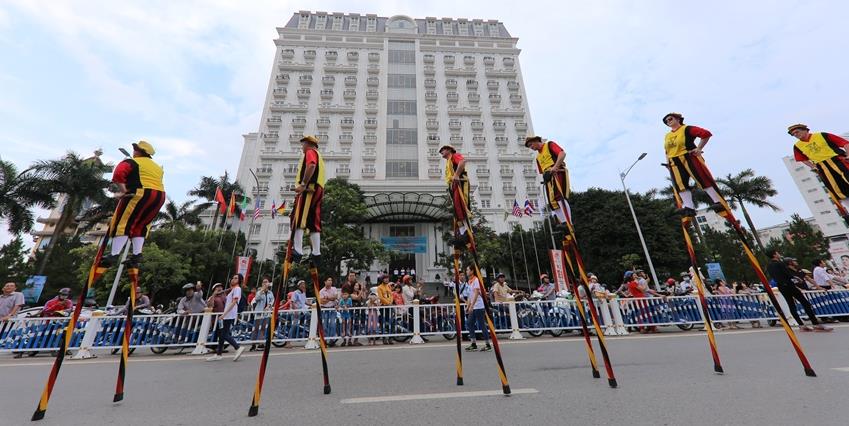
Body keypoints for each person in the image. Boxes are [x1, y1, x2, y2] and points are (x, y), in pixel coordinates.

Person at [102, 140, 166, 268]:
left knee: (123, 222)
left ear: (138, 151)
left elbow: (118, 174)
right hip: (159, 196)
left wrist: (123, 191)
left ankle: (114, 255)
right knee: (142, 225)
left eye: (135, 149)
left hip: (140, 194)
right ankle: (137, 255)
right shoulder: (158, 167)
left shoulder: (132, 161)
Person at [661, 113, 725, 217]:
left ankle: (717, 202)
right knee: (680, 185)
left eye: (670, 119)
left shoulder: (687, 129)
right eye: (666, 121)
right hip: (675, 162)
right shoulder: (667, 136)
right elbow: (667, 151)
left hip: (689, 157)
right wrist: (668, 163)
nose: (668, 121)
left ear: (678, 119)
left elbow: (706, 134)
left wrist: (699, 148)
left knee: (701, 179)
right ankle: (689, 208)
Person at [765, 249, 831, 332]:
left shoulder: (769, 266)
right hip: (789, 285)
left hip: (781, 286)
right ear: (774, 255)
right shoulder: (779, 263)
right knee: (805, 303)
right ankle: (815, 324)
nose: (779, 254)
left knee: (791, 305)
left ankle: (801, 325)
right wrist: (795, 278)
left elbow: (774, 276)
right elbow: (787, 273)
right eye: (777, 253)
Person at [788, 124, 849, 212]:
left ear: (805, 130)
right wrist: (813, 166)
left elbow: (845, 143)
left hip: (839, 161)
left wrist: (848, 155)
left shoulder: (822, 135)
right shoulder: (797, 146)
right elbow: (802, 159)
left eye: (797, 132)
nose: (795, 135)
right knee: (837, 190)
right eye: (793, 134)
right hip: (823, 168)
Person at [290, 135, 326, 265]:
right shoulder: (320, 157)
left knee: (299, 217)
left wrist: (303, 184)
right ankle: (316, 253)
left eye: (303, 144)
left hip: (309, 189)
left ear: (309, 144)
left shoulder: (311, 152)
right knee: (313, 221)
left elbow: (311, 165)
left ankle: (298, 250)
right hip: (318, 189)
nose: (302, 147)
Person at [524, 135, 571, 224]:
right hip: (548, 178)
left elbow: (562, 154)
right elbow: (542, 171)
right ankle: (564, 223)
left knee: (559, 197)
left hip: (557, 172)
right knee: (552, 202)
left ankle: (569, 222)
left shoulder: (549, 145)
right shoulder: (538, 157)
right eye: (529, 146)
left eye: (531, 145)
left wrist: (555, 167)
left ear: (536, 141)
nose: (531, 147)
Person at [207, 274, 246, 361]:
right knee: (222, 334)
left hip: (229, 315)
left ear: (239, 280)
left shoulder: (237, 289)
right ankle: (219, 354)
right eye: (233, 278)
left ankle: (237, 347)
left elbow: (234, 302)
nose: (233, 279)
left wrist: (224, 314)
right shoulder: (232, 290)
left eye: (236, 278)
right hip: (227, 315)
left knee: (224, 334)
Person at [440, 145, 473, 249]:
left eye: (443, 149)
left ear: (449, 150)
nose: (441, 151)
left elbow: (462, 162)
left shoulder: (454, 156)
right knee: (457, 209)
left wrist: (457, 175)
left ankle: (468, 231)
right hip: (453, 185)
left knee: (462, 205)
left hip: (460, 182)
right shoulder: (448, 161)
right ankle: (463, 232)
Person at [464, 265, 491, 352]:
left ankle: (487, 344)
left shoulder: (476, 280)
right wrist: (468, 306)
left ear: (472, 271)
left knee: (481, 325)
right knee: (469, 323)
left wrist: (471, 306)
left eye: (468, 270)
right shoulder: (469, 281)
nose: (466, 271)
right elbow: (469, 296)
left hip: (478, 306)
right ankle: (473, 343)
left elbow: (475, 294)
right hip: (473, 306)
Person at [250, 276, 275, 351]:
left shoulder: (270, 293)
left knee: (263, 329)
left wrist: (269, 306)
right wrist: (262, 290)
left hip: (266, 313)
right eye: (264, 282)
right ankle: (253, 344)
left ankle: (261, 344)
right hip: (259, 313)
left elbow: (272, 300)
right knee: (256, 329)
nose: (265, 283)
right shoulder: (259, 292)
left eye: (266, 282)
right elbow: (257, 298)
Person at [319, 277, 339, 346]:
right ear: (325, 282)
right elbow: (322, 302)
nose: (330, 282)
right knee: (324, 326)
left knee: (332, 325)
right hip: (324, 310)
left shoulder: (334, 289)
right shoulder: (321, 291)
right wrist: (331, 299)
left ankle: (332, 340)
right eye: (328, 280)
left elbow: (335, 297)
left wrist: (327, 298)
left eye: (331, 280)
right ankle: (325, 340)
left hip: (332, 309)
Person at [376, 275, 394, 345]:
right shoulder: (379, 287)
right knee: (383, 322)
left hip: (389, 306)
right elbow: (381, 297)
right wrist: (387, 303)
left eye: (387, 278)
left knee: (391, 322)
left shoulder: (389, 286)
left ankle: (391, 338)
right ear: (382, 279)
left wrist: (390, 302)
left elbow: (391, 295)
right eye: (385, 278)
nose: (386, 280)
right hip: (383, 307)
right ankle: (384, 338)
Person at [349, 281, 366, 345]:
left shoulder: (360, 292)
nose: (357, 287)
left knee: (358, 325)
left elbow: (364, 298)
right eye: (355, 286)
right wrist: (361, 290)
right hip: (352, 311)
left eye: (358, 286)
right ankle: (349, 340)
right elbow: (357, 298)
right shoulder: (351, 294)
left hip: (359, 311)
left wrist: (363, 290)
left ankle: (356, 340)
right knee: (351, 326)